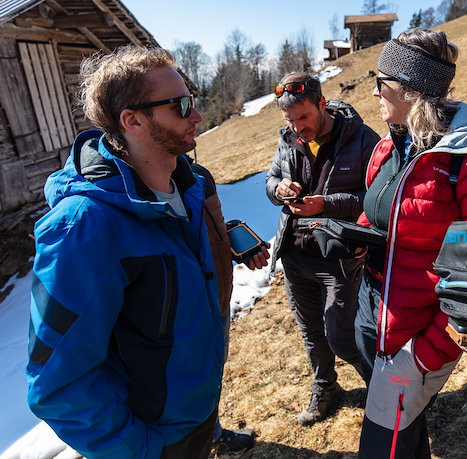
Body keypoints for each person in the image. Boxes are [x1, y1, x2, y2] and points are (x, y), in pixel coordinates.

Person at [27, 45, 224, 458]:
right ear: (132, 120)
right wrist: (138, 450)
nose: (197, 116)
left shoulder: (185, 186)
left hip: (199, 417)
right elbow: (57, 384)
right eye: (181, 105)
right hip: (153, 440)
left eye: (193, 100)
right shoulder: (84, 226)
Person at [355, 28, 467, 459]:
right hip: (377, 308)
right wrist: (351, 237)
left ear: (411, 89)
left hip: (422, 332)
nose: (373, 92)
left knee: (380, 444)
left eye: (381, 81)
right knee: (401, 428)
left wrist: (428, 353)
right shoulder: (388, 145)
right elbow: (378, 210)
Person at [265, 72, 380, 425]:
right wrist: (279, 189)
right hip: (295, 255)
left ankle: (383, 391)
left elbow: (376, 199)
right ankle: (325, 385)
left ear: (322, 105)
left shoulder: (363, 139)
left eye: (304, 117)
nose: (298, 127)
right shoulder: (287, 140)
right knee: (311, 330)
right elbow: (269, 181)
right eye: (290, 120)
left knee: (342, 337)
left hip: (340, 258)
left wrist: (326, 205)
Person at [192, 162, 269, 454]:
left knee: (210, 379)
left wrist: (235, 245)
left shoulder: (197, 175)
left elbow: (203, 237)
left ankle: (212, 434)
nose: (195, 117)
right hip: (184, 313)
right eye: (180, 111)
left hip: (219, 300)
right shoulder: (143, 182)